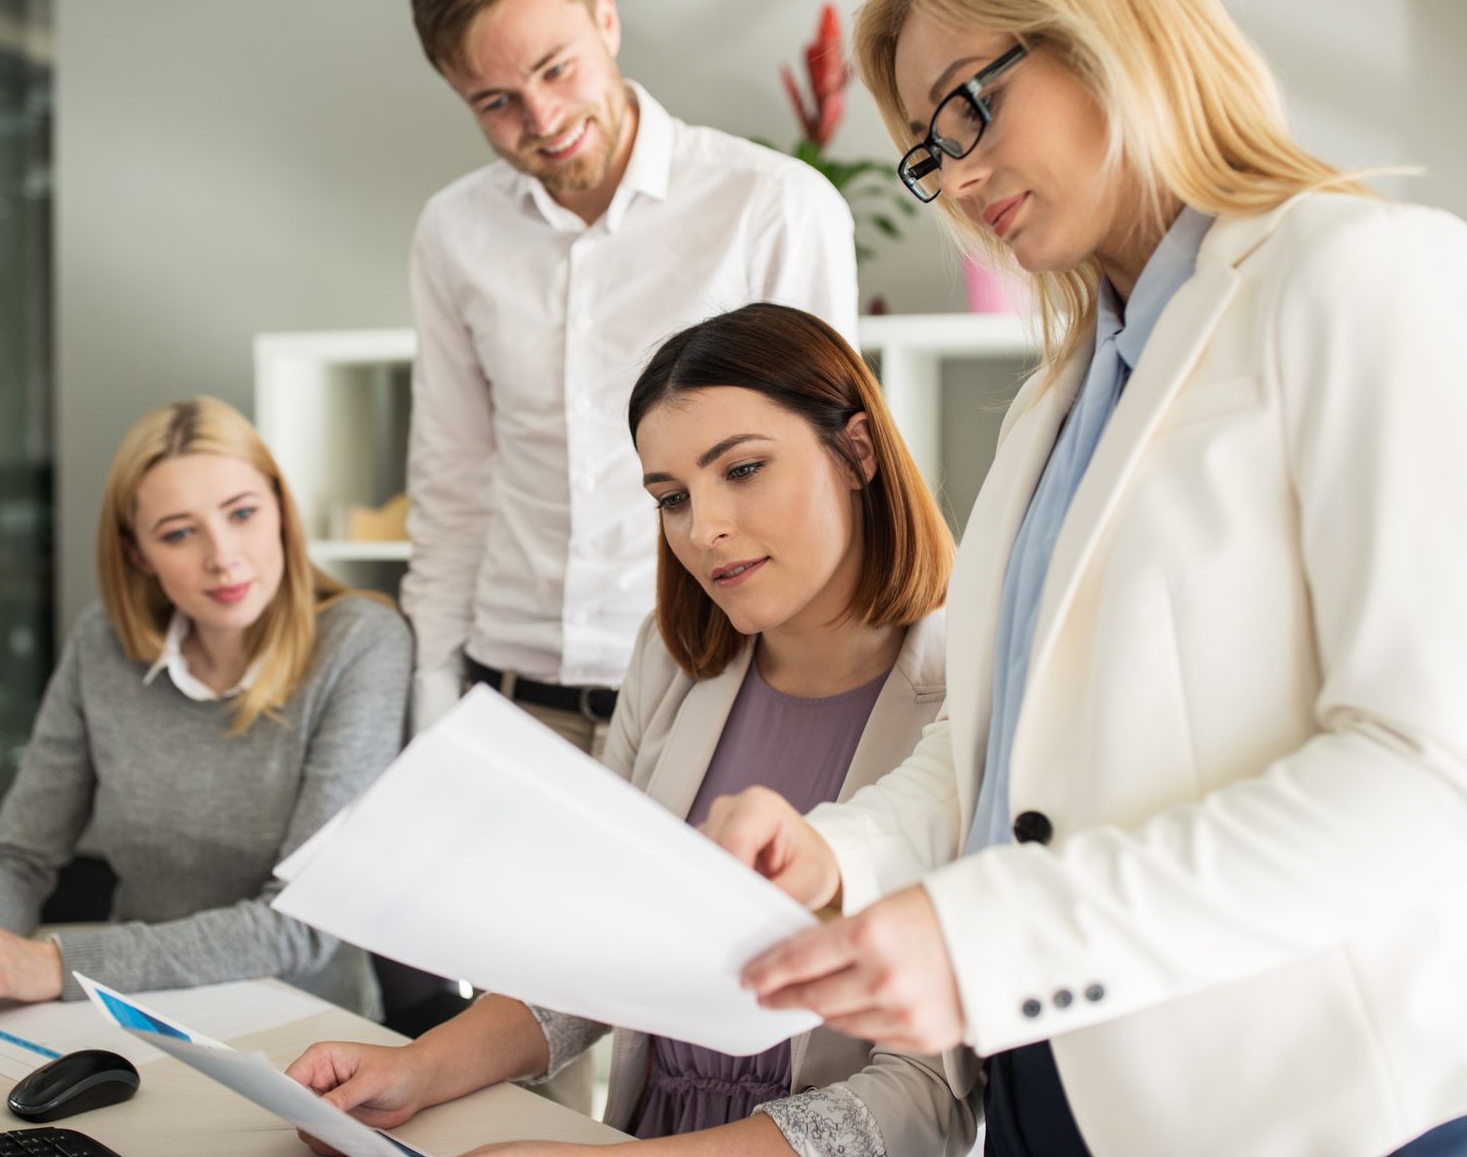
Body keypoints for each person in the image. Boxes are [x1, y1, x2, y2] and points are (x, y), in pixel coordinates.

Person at [699, 0, 1467, 1156]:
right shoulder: (1056, 397)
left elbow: (1427, 775)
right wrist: (835, 853)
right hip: (1055, 1090)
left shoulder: (1367, 279)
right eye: (932, 148)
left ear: (1110, 25)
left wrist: (1001, 932)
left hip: (1296, 1112)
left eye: (974, 105)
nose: (960, 172)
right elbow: (1001, 764)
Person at [286, 305, 974, 1156]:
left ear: (858, 452)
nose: (704, 528)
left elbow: (929, 1093)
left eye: (746, 469)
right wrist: (418, 1071)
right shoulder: (675, 662)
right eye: (672, 498)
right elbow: (597, 951)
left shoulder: (970, 687)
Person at [399, 0, 859, 757]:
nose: (540, 118)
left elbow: (829, 475)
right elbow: (451, 474)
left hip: (708, 696)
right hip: (506, 701)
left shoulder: (773, 207)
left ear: (604, 18)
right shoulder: (452, 234)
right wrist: (430, 692)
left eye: (556, 68)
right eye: (495, 101)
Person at [0, 396, 411, 1017]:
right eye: (180, 533)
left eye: (242, 513)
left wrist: (58, 963)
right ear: (138, 553)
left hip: (304, 1032)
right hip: (126, 1015)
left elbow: (300, 923)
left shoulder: (362, 643)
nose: (222, 556)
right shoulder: (103, 646)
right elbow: (16, 858)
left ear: (280, 511)